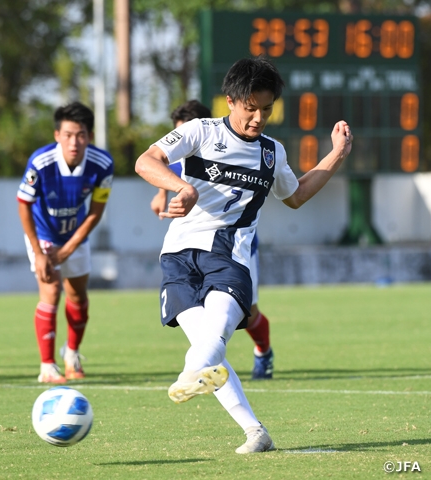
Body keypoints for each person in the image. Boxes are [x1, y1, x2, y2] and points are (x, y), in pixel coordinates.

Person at [135, 57, 352, 453]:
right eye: (251, 108)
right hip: (179, 255)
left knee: (212, 338)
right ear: (231, 101)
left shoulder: (271, 153)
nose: (258, 118)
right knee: (206, 346)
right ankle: (256, 431)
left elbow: (297, 195)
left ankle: (189, 373)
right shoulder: (201, 131)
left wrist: (336, 154)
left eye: (266, 109)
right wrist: (180, 187)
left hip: (230, 255)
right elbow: (146, 161)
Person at [151, 99, 275, 380]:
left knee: (249, 312)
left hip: (235, 244)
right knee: (203, 314)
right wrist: (161, 193)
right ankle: (203, 368)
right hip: (194, 245)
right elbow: (163, 170)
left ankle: (263, 351)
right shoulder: (181, 154)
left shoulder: (219, 145)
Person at [17, 101, 113, 384]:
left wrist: (70, 247)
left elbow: (96, 210)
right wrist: (39, 252)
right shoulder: (40, 162)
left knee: (78, 297)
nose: (75, 142)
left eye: (81, 135)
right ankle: (47, 366)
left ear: (90, 137)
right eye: (68, 134)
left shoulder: (103, 164)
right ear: (57, 135)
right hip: (43, 235)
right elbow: (23, 204)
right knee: (51, 290)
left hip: (75, 237)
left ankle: (71, 352)